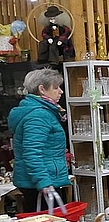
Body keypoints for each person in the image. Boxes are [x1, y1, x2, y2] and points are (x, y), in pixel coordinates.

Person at [8, 68, 71, 213]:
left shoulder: (41, 111)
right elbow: (31, 153)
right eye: (56, 87)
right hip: (40, 183)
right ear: (42, 89)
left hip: (40, 181)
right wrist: (43, 182)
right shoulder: (39, 115)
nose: (61, 91)